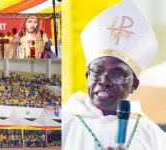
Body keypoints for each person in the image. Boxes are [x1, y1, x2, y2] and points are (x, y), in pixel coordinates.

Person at [62, 1, 166, 150]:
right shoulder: (63, 122)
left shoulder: (150, 133)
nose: (104, 81)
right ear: (87, 76)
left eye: (117, 74)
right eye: (97, 71)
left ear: (134, 85)